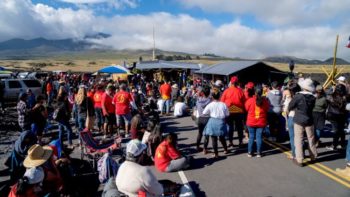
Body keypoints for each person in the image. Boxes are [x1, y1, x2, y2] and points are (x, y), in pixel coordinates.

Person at [288, 78, 317, 167]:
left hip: (299, 119)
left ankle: (299, 159)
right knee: (311, 138)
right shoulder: (313, 97)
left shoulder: (298, 96)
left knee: (298, 139)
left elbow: (291, 105)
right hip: (309, 119)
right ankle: (313, 156)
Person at [203, 89, 229, 158]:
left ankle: (216, 154)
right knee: (222, 137)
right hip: (221, 121)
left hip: (213, 121)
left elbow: (204, 113)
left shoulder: (210, 104)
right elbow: (227, 114)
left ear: (213, 97)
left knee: (213, 138)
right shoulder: (223, 104)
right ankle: (225, 149)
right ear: (219, 96)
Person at [245, 85, 269, 158]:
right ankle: (259, 153)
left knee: (251, 137)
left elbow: (246, 108)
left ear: (254, 92)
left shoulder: (250, 100)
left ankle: (250, 152)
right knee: (259, 137)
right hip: (261, 122)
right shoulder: (265, 101)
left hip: (251, 122)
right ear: (262, 92)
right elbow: (267, 109)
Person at [220, 76, 245, 147]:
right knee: (239, 127)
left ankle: (230, 141)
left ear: (231, 82)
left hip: (229, 111)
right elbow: (244, 101)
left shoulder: (226, 91)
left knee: (230, 127)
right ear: (237, 83)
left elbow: (222, 101)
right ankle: (240, 141)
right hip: (239, 111)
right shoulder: (240, 91)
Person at [326, 84, 347, 151]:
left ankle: (334, 145)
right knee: (341, 130)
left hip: (333, 115)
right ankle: (342, 144)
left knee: (336, 130)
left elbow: (326, 95)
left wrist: (332, 89)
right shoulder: (345, 97)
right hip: (342, 115)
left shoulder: (331, 97)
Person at [195, 86, 211, 151]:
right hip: (207, 118)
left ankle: (197, 146)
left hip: (200, 118)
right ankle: (205, 149)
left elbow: (196, 107)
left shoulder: (198, 100)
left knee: (200, 133)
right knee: (207, 134)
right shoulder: (210, 100)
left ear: (203, 93)